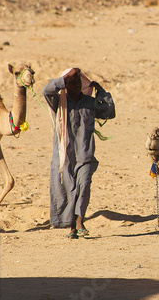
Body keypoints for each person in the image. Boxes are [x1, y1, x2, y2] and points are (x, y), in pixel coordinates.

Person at [42, 68, 115, 239]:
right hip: (64, 157)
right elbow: (46, 90)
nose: (76, 83)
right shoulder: (58, 102)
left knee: (84, 184)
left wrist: (101, 92)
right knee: (69, 188)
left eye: (78, 80)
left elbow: (109, 112)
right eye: (72, 80)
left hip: (85, 156)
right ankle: (72, 226)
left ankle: (80, 220)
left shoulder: (90, 103)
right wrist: (65, 77)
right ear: (65, 84)